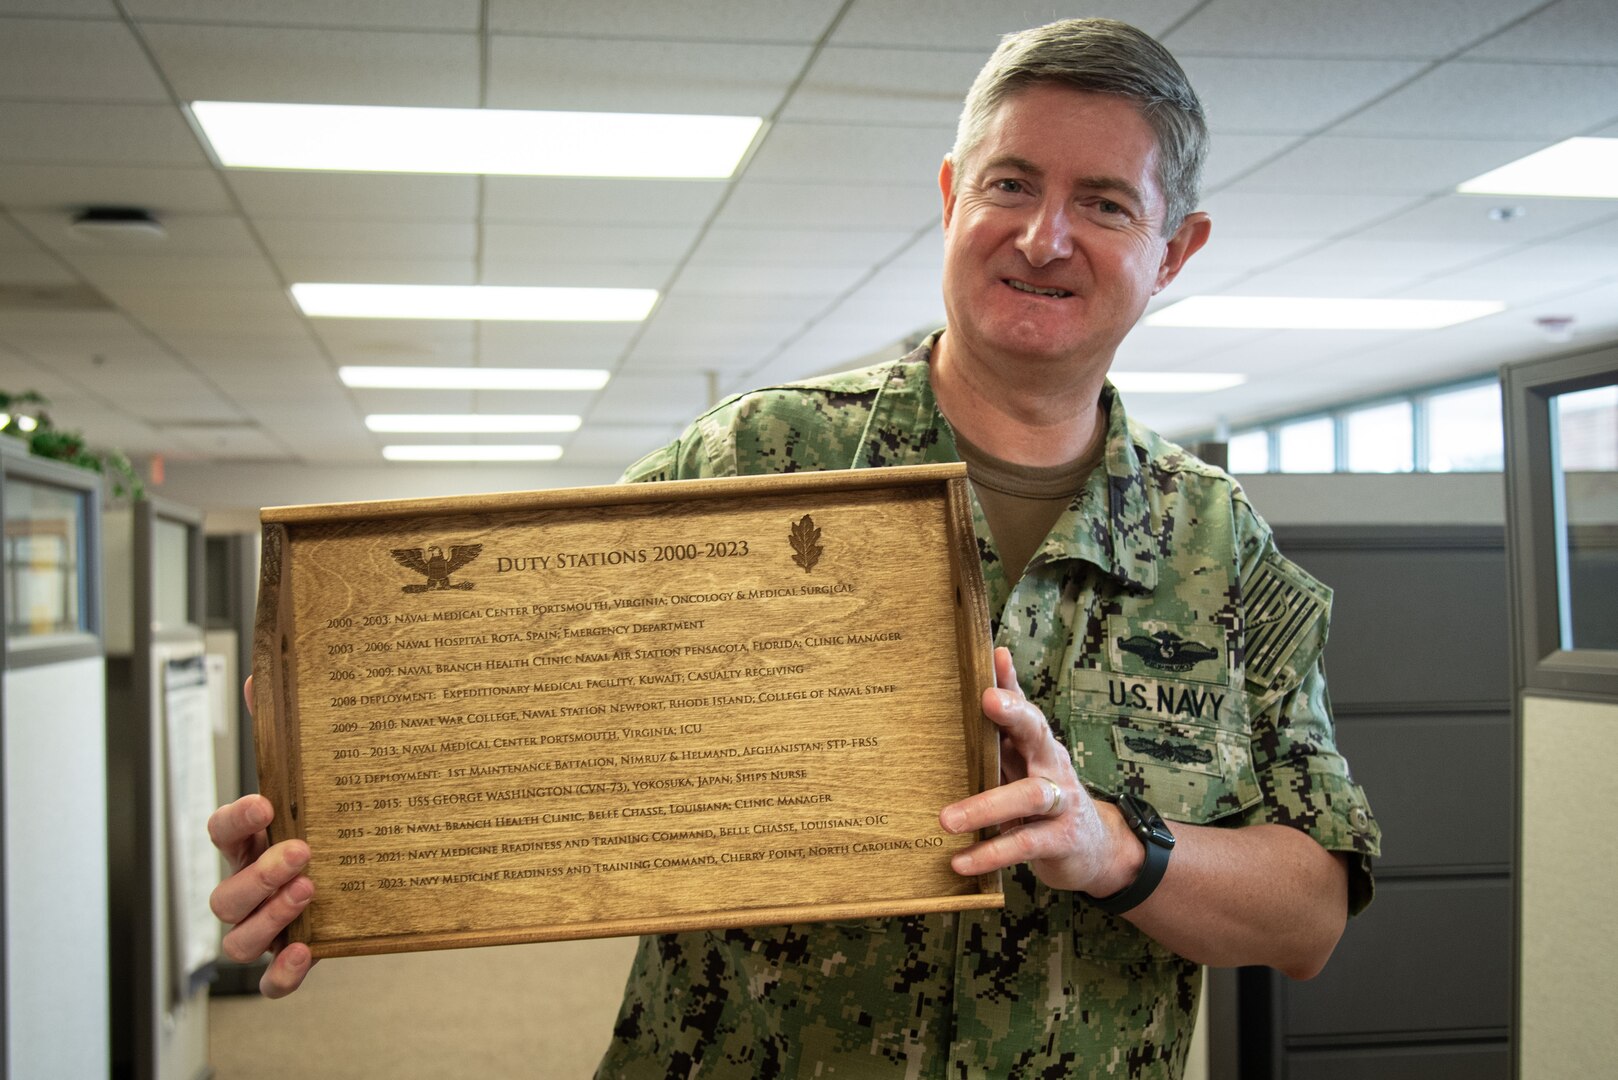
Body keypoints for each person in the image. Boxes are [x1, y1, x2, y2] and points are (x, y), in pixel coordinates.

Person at [209, 18, 1379, 1079]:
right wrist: (339, 823)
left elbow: (1310, 912)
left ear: (1176, 249)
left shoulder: (1222, 548)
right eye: (1008, 184)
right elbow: (536, 706)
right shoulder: (758, 458)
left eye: (1106, 203)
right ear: (948, 197)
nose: (1042, 235)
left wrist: (1111, 845)